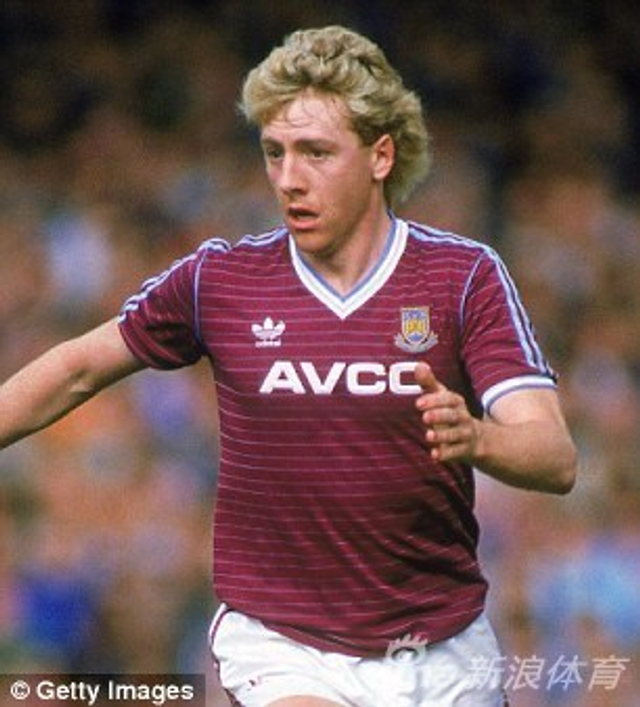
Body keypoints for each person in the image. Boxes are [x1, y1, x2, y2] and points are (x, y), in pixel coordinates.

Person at [0, 25, 577, 707]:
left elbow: (555, 457)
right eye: (275, 152)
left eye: (316, 153)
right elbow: (76, 367)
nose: (288, 179)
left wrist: (478, 438)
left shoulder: (463, 277)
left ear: (380, 155)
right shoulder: (220, 280)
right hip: (285, 644)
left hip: (440, 646)